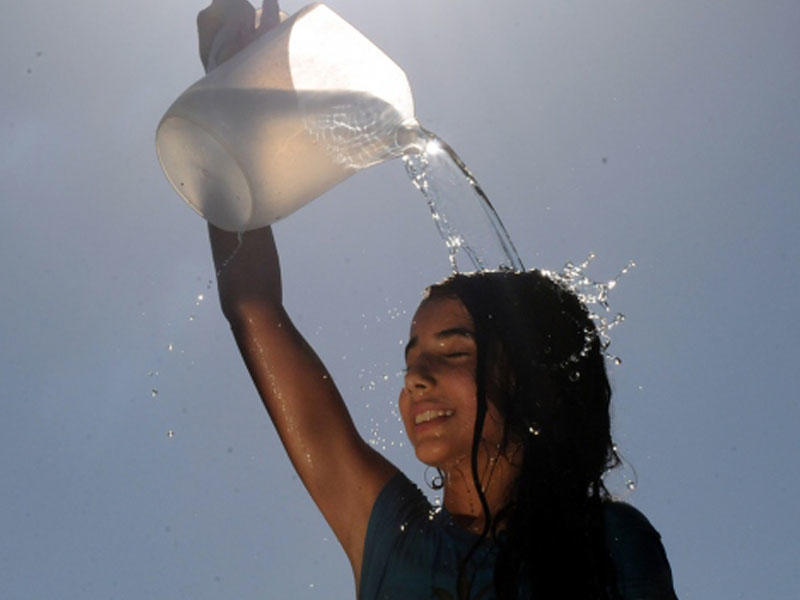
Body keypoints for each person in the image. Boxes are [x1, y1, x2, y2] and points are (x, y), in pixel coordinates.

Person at [196, 2, 679, 598]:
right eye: (412, 358)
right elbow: (252, 306)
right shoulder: (392, 537)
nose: (416, 379)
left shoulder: (610, 542)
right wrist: (234, 95)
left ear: (529, 376)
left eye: (454, 352)